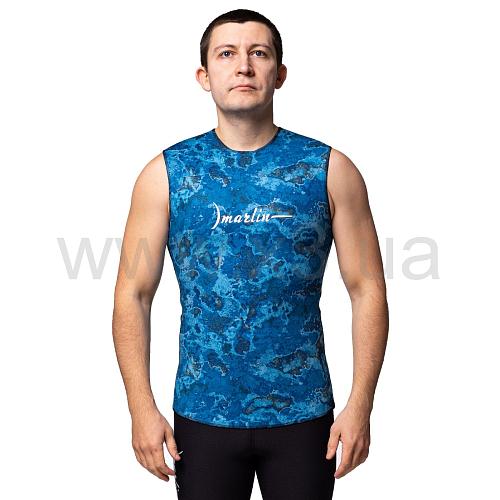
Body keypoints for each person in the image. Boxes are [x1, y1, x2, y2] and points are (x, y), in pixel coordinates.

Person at [112, 8, 389, 500]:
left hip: (305, 414)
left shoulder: (329, 169)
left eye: (258, 53)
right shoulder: (166, 175)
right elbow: (133, 293)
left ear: (279, 73)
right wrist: (140, 407)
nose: (243, 65)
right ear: (204, 76)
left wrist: (361, 404)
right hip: (202, 413)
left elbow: (366, 288)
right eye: (227, 54)